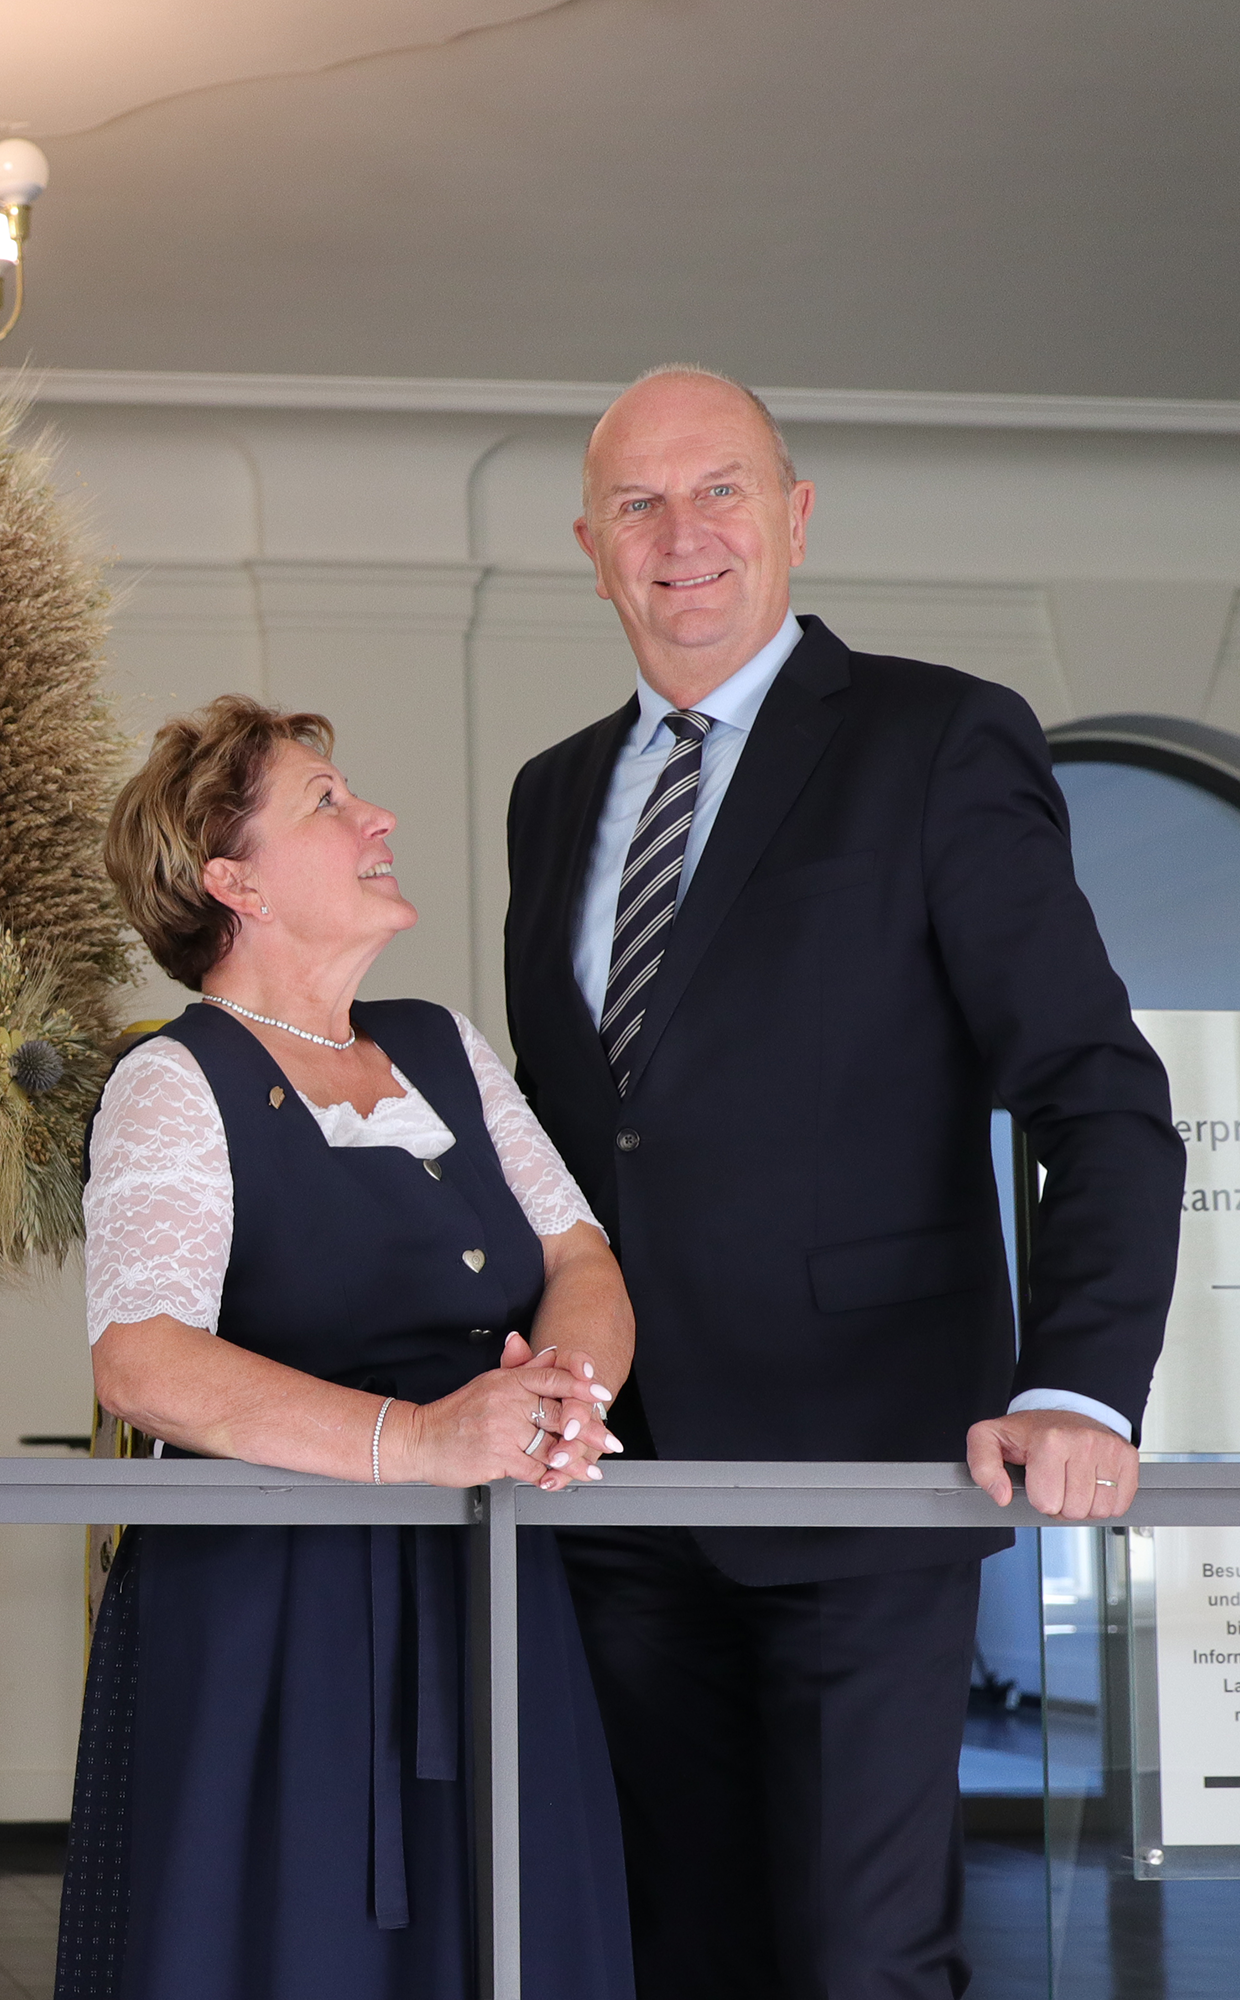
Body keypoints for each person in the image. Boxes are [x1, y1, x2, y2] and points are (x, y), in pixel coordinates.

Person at [501, 366, 1182, 1997]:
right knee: (672, 1950)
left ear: (795, 518)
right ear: (591, 547)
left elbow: (1096, 1090)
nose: (684, 537)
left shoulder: (937, 740)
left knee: (861, 1960)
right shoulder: (550, 795)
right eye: (641, 506)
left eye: (721, 490)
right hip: (612, 1494)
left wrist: (1081, 1387)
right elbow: (567, 1143)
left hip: (864, 1470)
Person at [55, 695, 636, 1999]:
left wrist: (561, 1399)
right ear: (232, 878)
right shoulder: (172, 1081)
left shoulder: (441, 1046)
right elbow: (141, 1361)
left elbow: (581, 1262)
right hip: (275, 1624)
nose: (375, 818)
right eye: (327, 801)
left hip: (488, 1592)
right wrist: (422, 1439)